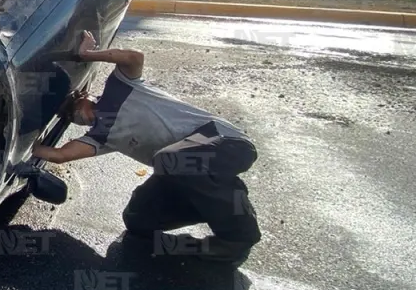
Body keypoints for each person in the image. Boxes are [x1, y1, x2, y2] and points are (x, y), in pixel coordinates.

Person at [32, 31, 260, 266]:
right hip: (182, 170)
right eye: (68, 115)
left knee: (169, 160)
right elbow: (59, 155)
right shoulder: (101, 138)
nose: (74, 115)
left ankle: (237, 237)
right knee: (137, 219)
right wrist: (23, 143)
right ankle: (223, 202)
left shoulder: (120, 87)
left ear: (85, 95)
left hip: (226, 143)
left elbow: (133, 57)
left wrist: (87, 54)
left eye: (73, 105)